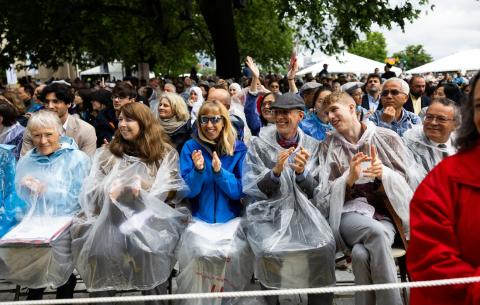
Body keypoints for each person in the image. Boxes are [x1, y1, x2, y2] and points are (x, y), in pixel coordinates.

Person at [71, 103, 188, 304]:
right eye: (120, 119)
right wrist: (111, 188)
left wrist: (143, 186)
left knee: (151, 252)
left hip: (150, 223)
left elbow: (171, 191)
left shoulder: (164, 153)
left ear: (144, 123)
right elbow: (90, 193)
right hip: (110, 222)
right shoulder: (107, 154)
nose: (123, 125)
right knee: (99, 254)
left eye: (129, 120)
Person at [317, 92, 414, 305]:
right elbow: (323, 192)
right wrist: (348, 181)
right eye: (326, 113)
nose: (330, 116)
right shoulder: (328, 144)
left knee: (361, 254)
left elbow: (406, 179)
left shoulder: (386, 137)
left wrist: (383, 175)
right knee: (375, 233)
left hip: (384, 214)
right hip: (348, 214)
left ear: (352, 108)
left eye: (335, 109)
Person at [243, 92, 335, 305]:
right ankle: (271, 301)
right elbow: (254, 189)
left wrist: (302, 173)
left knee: (324, 245)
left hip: (303, 214)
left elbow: (316, 192)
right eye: (277, 113)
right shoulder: (260, 145)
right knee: (268, 249)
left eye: (286, 113)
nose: (280, 118)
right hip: (268, 215)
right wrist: (275, 172)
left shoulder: (313, 146)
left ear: (300, 116)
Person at [0, 110, 91, 300]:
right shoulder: (26, 161)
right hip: (33, 228)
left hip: (65, 227)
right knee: (35, 272)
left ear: (60, 132)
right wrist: (25, 190)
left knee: (62, 273)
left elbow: (80, 198)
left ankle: (64, 294)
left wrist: (45, 191)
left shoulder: (77, 159)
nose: (43, 141)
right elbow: (16, 199)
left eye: (48, 134)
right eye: (37, 135)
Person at [407, 71, 480, 305]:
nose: (433, 123)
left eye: (442, 119)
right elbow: (432, 262)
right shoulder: (445, 179)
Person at [177, 100, 251, 305]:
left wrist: (220, 173)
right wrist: (199, 171)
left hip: (230, 220)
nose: (209, 125)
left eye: (215, 120)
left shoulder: (238, 149)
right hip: (200, 218)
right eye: (204, 120)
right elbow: (188, 192)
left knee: (234, 254)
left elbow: (239, 191)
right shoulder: (190, 148)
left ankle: (229, 300)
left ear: (224, 121)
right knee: (199, 253)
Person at [21, 83, 97, 156]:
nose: (50, 106)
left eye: (56, 101)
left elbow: (87, 164)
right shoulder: (33, 129)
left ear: (69, 103)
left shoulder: (86, 130)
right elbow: (25, 161)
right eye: (47, 102)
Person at [403, 97, 459, 178]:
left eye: (441, 119)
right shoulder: (410, 144)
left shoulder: (463, 146)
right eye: (429, 117)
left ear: (455, 125)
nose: (433, 122)